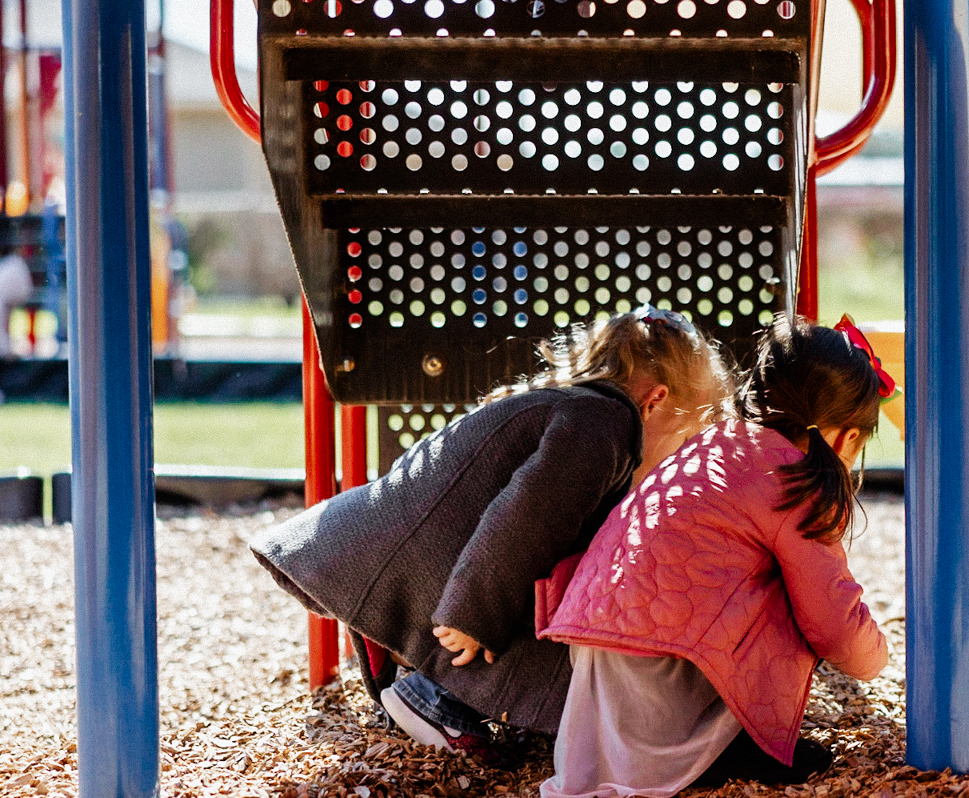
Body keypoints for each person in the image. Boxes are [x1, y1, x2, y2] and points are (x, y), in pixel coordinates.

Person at [251, 307, 732, 755]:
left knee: (549, 599)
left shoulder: (573, 407)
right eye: (683, 436)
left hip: (387, 545)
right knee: (541, 643)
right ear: (657, 401)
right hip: (429, 566)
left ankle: (407, 659)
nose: (674, 455)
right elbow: (528, 518)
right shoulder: (603, 425)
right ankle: (435, 698)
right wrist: (473, 614)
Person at [536, 316, 893, 798]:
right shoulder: (793, 479)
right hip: (666, 682)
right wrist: (879, 657)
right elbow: (835, 626)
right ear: (848, 437)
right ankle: (722, 751)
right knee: (794, 593)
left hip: (598, 663)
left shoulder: (709, 446)